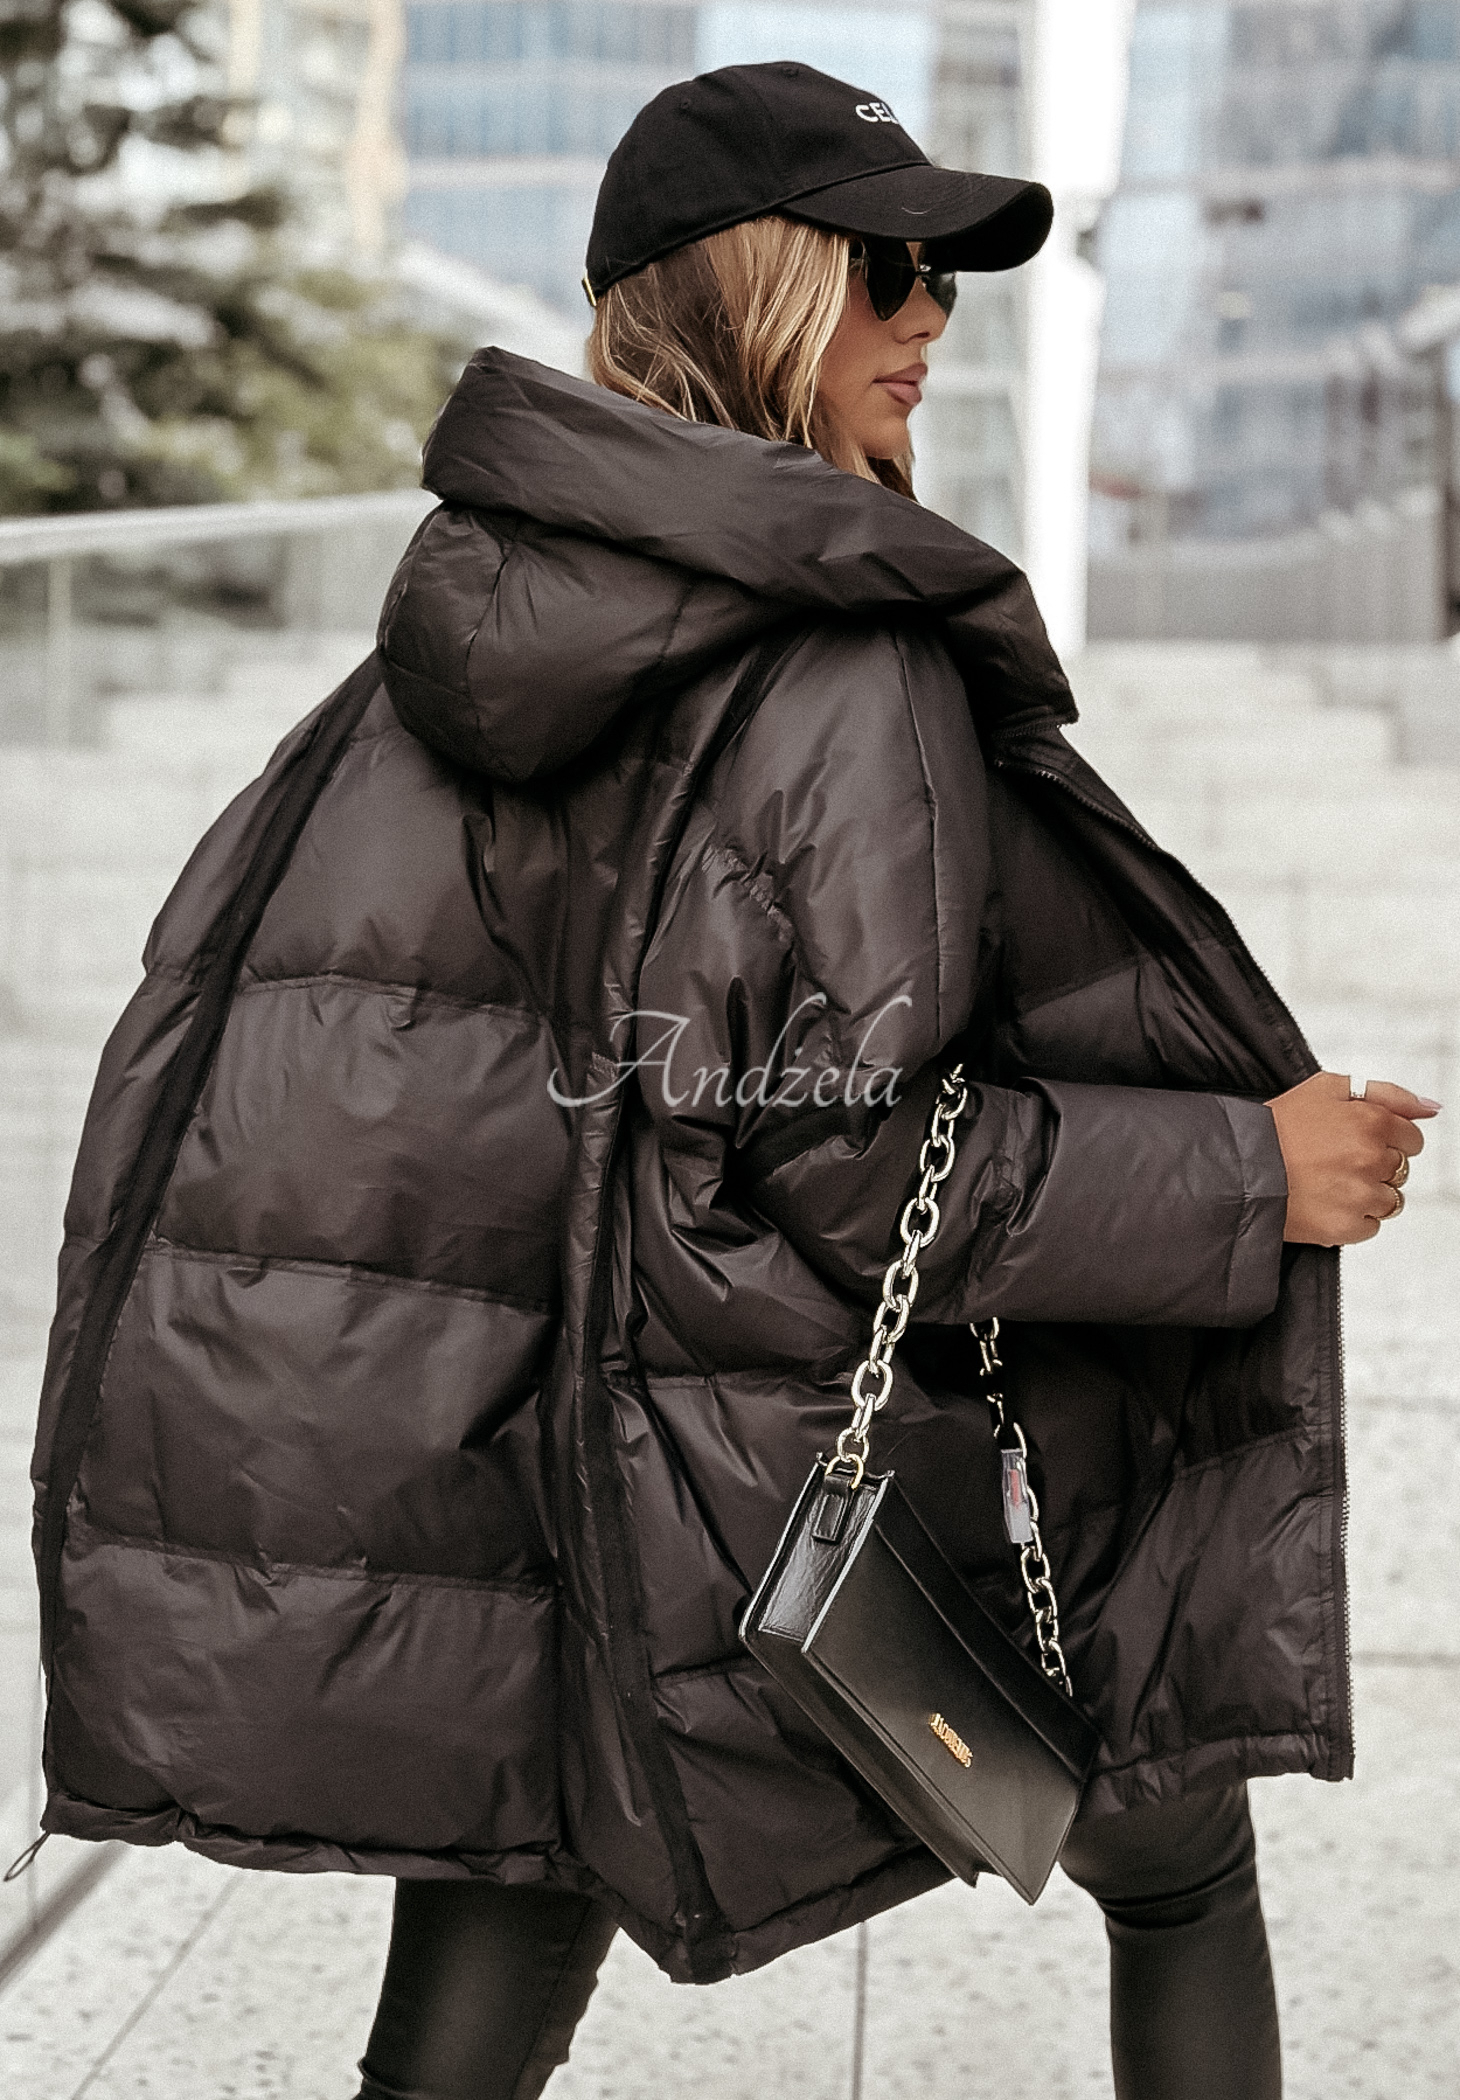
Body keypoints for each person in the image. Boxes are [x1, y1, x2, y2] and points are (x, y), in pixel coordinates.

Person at [28, 62, 1436, 2100]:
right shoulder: (839, 650)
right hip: (721, 1446)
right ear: (757, 290)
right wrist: (1248, 1172)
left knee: (497, 1929)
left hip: (533, 1449)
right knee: (1177, 1861)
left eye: (944, 277)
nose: (931, 317)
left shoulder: (470, 619)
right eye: (886, 270)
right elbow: (842, 1154)